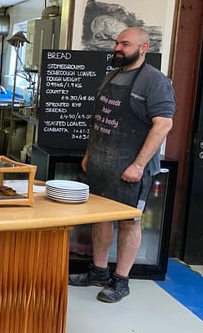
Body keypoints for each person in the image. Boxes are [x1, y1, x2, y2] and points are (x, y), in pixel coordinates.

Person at [69, 27, 175, 303]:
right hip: (102, 163)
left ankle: (121, 281)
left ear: (143, 47)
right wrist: (90, 153)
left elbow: (163, 124)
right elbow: (100, 119)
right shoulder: (113, 74)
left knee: (129, 222)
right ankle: (98, 272)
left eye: (124, 44)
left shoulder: (154, 81)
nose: (117, 48)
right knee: (100, 218)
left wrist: (138, 166)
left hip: (131, 169)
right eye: (116, 43)